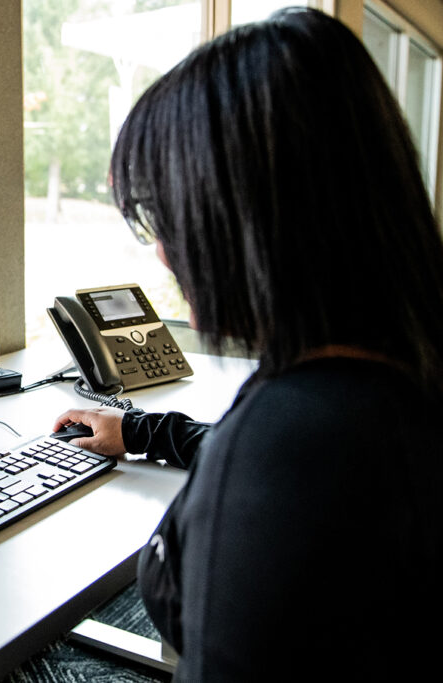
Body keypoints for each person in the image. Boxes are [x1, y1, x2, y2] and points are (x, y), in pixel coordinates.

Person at [53, 8, 442, 681]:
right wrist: (142, 430)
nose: (164, 251)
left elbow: (284, 466)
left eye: (165, 215)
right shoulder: (387, 378)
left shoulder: (292, 453)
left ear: (249, 216)